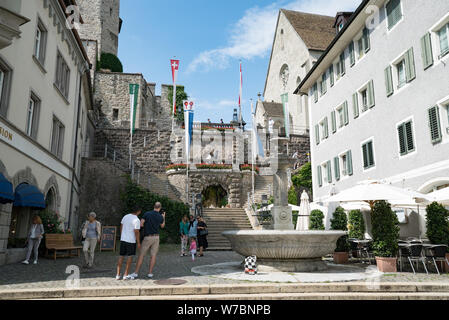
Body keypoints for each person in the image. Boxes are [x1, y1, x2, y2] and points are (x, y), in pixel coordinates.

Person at [131, 202, 165, 279]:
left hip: (148, 237)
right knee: (153, 256)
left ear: (154, 206)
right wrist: (164, 217)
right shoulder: (160, 216)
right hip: (156, 237)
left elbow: (141, 224)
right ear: (160, 208)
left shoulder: (147, 214)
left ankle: (136, 272)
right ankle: (150, 273)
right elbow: (162, 226)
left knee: (141, 255)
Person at [116, 207, 142, 280]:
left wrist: (122, 235)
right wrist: (138, 242)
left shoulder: (125, 216)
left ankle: (117, 274)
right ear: (139, 211)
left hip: (123, 239)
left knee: (121, 256)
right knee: (129, 257)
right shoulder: (137, 220)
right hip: (131, 240)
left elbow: (121, 226)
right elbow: (136, 232)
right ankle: (125, 274)